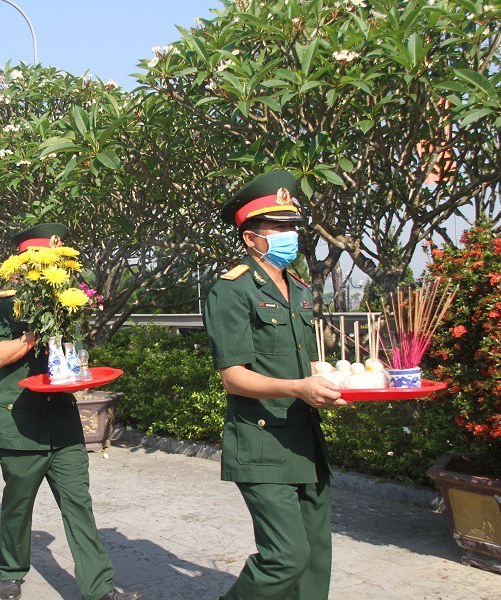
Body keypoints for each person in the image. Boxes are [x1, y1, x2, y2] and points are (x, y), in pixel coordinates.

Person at [203, 171, 346, 599]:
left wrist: (336, 382)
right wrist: (300, 388)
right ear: (251, 238)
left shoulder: (298, 288)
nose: (290, 235)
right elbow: (234, 377)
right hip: (262, 441)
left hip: (305, 439)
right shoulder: (232, 290)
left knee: (316, 559)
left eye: (292, 226)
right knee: (285, 557)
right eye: (279, 227)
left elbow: (302, 359)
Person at [0, 223, 140, 600]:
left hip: (63, 421)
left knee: (79, 504)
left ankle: (99, 587)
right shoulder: (2, 301)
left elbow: (74, 358)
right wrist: (31, 333)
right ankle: (11, 570)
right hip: (19, 421)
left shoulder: (70, 301)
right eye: (40, 262)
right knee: (18, 503)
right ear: (25, 264)